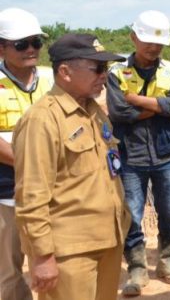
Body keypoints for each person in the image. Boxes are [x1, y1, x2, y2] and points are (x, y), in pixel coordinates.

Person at [13, 34, 129, 300]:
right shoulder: (42, 120)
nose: (104, 76)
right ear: (65, 71)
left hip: (108, 240)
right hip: (70, 251)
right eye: (98, 68)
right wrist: (42, 257)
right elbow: (31, 196)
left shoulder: (93, 111)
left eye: (107, 69)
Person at [106, 10, 170, 296]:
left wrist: (138, 101)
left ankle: (167, 261)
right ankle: (137, 267)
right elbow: (118, 112)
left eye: (159, 44)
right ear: (133, 38)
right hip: (130, 156)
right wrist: (158, 106)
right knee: (133, 214)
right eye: (148, 41)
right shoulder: (116, 72)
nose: (153, 48)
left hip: (167, 155)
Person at [0, 9, 53, 300]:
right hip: (8, 192)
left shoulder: (52, 78)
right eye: (21, 44)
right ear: (1, 47)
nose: (31, 49)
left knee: (51, 263)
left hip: (53, 190)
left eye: (36, 42)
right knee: (9, 270)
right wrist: (30, 164)